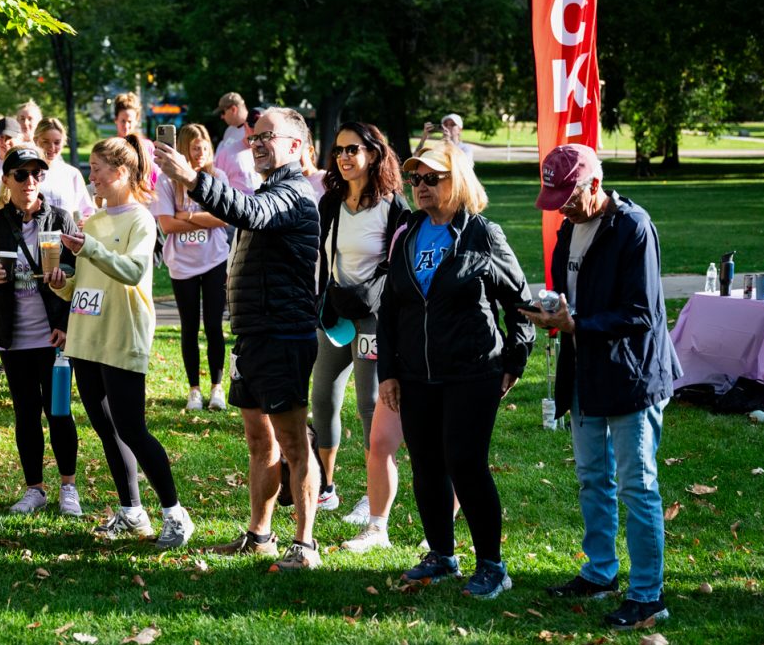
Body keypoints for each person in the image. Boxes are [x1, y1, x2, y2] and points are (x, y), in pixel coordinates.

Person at [154, 106, 322, 572]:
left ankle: (305, 544)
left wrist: (192, 178)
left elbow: (247, 211)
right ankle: (259, 536)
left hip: (284, 334)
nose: (259, 142)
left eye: (269, 135)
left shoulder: (295, 193)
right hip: (251, 336)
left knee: (292, 442)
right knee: (258, 441)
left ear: (296, 145)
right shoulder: (270, 189)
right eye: (255, 137)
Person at [521, 143, 679, 630]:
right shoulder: (569, 229)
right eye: (555, 199)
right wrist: (551, 310)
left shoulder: (633, 227)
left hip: (632, 375)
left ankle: (648, 594)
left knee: (638, 485)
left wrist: (578, 324)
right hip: (585, 374)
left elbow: (643, 313)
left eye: (569, 196)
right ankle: (600, 572)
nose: (562, 207)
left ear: (595, 183)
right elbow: (572, 298)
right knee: (593, 479)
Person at [377, 142, 533, 598]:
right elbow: (390, 309)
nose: (421, 187)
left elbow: (519, 303)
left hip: (472, 371)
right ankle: (441, 556)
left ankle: (492, 565)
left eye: (432, 178)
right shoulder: (407, 232)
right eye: (416, 179)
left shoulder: (483, 234)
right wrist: (389, 370)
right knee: (426, 465)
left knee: (465, 463)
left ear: (457, 180)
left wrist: (515, 360)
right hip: (415, 374)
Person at [49, 135, 195, 549]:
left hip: (121, 335)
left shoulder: (140, 220)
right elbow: (87, 282)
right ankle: (131, 511)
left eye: (96, 169)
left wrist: (89, 248)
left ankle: (175, 514)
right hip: (86, 336)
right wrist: (62, 284)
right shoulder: (92, 221)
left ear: (121, 172)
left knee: (132, 427)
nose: (90, 176)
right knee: (106, 428)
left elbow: (131, 272)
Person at [0, 147, 83, 517]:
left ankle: (68, 487)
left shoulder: (61, 219)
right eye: (21, 174)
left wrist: (66, 325)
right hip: (14, 338)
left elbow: (82, 278)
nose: (29, 181)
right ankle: (34, 488)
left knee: (60, 412)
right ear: (6, 180)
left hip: (54, 337)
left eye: (37, 174)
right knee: (26, 414)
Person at [310, 123, 409, 526]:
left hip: (373, 318)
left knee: (370, 405)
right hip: (334, 314)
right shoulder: (330, 202)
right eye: (338, 151)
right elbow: (321, 256)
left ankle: (374, 497)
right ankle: (326, 489)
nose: (344, 157)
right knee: (322, 397)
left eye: (353, 149)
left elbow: (398, 268)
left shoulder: (393, 206)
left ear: (373, 153)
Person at [154, 124, 231, 412]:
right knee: (189, 327)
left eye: (205, 147)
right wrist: (202, 217)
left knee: (213, 325)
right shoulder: (166, 181)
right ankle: (194, 390)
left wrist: (185, 214)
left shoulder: (217, 177)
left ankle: (217, 387)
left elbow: (223, 217)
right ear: (183, 149)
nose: (201, 153)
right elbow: (166, 224)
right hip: (182, 265)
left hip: (214, 260)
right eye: (195, 147)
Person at [33, 117, 96, 222]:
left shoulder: (72, 174)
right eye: (46, 142)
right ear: (36, 141)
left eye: (57, 142)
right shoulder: (28, 173)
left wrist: (84, 222)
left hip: (65, 236)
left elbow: (88, 212)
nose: (52, 147)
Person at [212, 92, 261, 196]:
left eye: (223, 112)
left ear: (233, 109)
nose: (222, 117)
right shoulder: (229, 130)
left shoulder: (257, 130)